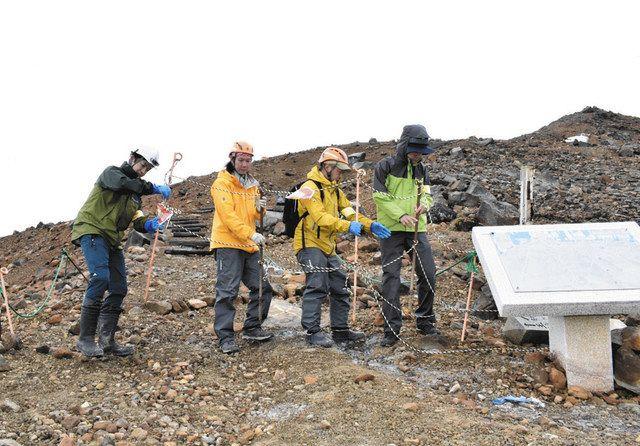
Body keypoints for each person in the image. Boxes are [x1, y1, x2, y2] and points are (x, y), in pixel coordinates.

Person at [71, 148, 171, 357]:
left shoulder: (135, 196)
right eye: (142, 165)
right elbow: (123, 184)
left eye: (148, 168)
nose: (143, 170)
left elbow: (137, 220)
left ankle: (107, 341)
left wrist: (152, 223)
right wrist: (153, 187)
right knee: (100, 278)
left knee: (119, 287)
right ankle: (85, 339)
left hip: (112, 239)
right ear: (132, 158)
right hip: (92, 229)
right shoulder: (112, 174)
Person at [294, 147, 391, 347]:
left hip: (327, 246)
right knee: (317, 283)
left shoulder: (335, 190)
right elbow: (321, 218)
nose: (341, 173)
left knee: (340, 284)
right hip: (309, 243)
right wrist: (348, 226)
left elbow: (350, 214)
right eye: (338, 169)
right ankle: (312, 332)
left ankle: (340, 330)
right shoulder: (309, 188)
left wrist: (368, 224)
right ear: (327, 166)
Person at [373, 125, 438, 347]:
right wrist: (400, 215)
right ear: (403, 146)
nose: (417, 154)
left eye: (421, 151)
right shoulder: (385, 166)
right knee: (391, 277)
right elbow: (379, 196)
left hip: (417, 229)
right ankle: (392, 329)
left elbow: (428, 196)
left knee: (428, 273)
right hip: (391, 229)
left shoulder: (422, 170)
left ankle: (425, 320)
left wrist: (424, 207)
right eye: (413, 150)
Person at [210, 141, 274, 354]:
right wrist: (251, 233)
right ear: (232, 159)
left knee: (263, 287)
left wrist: (260, 210)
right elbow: (228, 215)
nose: (245, 164)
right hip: (227, 243)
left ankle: (252, 327)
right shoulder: (222, 184)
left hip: (248, 244)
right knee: (227, 291)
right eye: (241, 160)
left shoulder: (252, 185)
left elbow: (255, 215)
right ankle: (225, 337)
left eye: (248, 160)